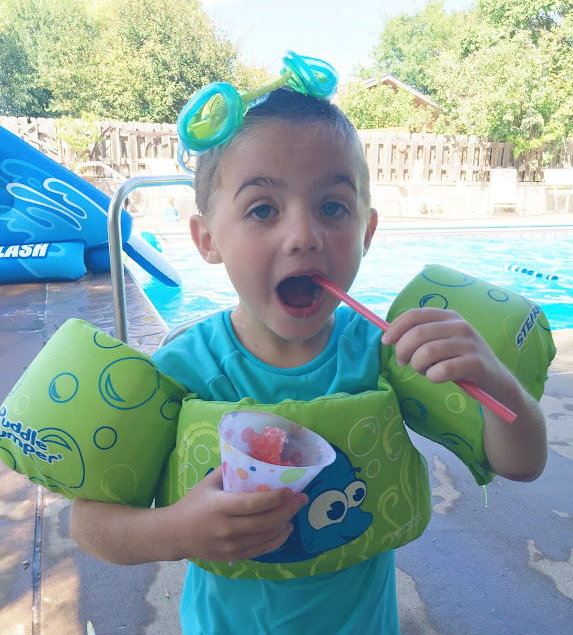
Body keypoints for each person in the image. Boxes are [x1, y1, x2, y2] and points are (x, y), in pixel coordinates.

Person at [69, 86, 547, 634]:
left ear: (366, 231)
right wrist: (174, 531)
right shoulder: (183, 370)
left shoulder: (383, 352)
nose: (303, 236)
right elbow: (89, 523)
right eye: (263, 209)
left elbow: (521, 463)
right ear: (207, 239)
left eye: (332, 207)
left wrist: (496, 382)